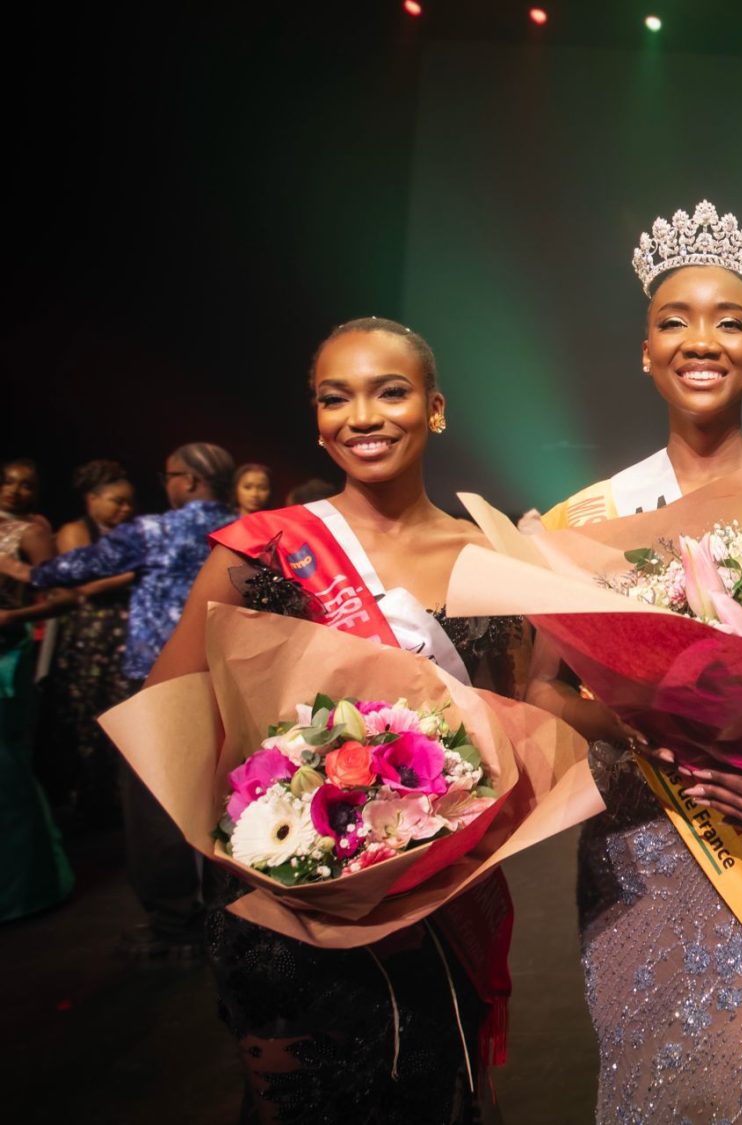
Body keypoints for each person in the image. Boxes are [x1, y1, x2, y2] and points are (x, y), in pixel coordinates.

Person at [530, 202, 742, 1124]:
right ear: (644, 350)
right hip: (635, 854)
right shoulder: (585, 519)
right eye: (674, 320)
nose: (700, 340)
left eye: (730, 320)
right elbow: (540, 692)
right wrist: (639, 717)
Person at [148, 317, 522, 1124]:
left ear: (436, 406)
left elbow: (511, 730)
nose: (362, 416)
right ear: (315, 418)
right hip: (285, 912)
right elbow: (169, 710)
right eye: (335, 397)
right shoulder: (264, 547)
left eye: (390, 391)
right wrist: (269, 844)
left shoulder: (487, 556)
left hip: (435, 909)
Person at [2, 442, 236, 956]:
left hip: (162, 680)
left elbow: (77, 566)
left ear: (192, 481)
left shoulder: (156, 530)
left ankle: (175, 923)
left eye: (171, 475)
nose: (166, 483)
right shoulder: (251, 525)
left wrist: (26, 572)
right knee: (229, 795)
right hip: (233, 678)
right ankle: (233, 918)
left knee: (155, 803)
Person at [35, 460, 137, 825]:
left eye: (129, 502)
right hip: (89, 638)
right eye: (116, 501)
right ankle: (89, 800)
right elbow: (81, 585)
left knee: (120, 716)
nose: (125, 509)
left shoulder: (128, 534)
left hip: (123, 637)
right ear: (92, 498)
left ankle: (115, 798)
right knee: (86, 715)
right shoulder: (74, 531)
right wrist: (133, 572)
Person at [0, 464, 75, 921]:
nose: (17, 489)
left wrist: (12, 617)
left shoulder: (30, 532)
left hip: (9, 651)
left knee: (7, 767)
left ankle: (29, 886)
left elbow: (63, 595)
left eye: (28, 483)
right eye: (9, 481)